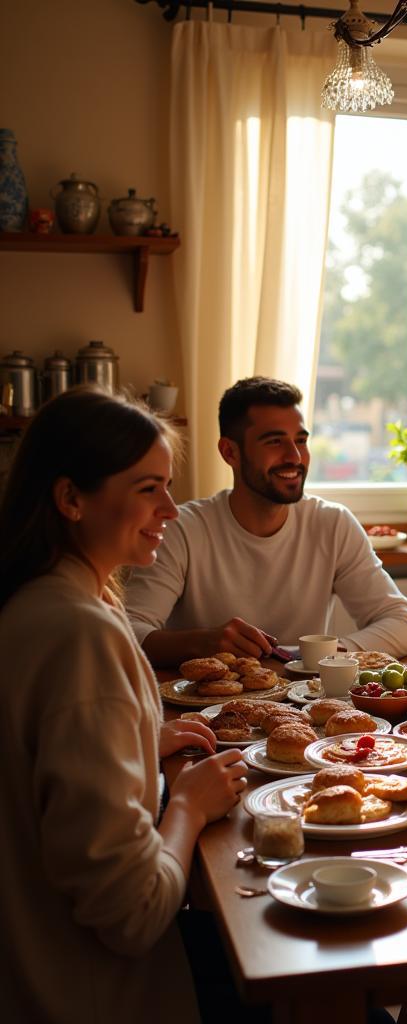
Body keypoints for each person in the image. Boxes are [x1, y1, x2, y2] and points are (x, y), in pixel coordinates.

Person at [0, 388, 248, 1022]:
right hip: (90, 990)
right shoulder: (79, 632)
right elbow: (133, 915)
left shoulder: (40, 600)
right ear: (71, 499)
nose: (170, 507)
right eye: (147, 489)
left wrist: (144, 740)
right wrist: (189, 805)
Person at [125, 377, 407, 664]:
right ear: (230, 452)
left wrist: (323, 655)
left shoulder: (332, 524)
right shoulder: (183, 529)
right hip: (207, 710)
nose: (294, 456)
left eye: (301, 440)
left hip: (304, 707)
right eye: (274, 442)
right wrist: (202, 643)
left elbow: (405, 625)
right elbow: (128, 632)